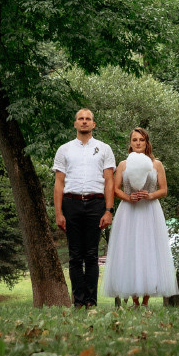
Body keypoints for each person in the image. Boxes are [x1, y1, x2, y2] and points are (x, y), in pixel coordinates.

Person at [102, 127, 178, 307]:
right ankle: (134, 300)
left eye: (141, 140)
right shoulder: (123, 165)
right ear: (130, 143)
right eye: (134, 140)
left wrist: (149, 195)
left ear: (147, 143)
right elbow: (114, 188)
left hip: (150, 211)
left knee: (148, 251)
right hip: (129, 212)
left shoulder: (156, 164)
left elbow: (163, 189)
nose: (137, 143)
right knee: (130, 251)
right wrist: (129, 197)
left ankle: (145, 301)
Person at [52, 108, 116, 308]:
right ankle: (78, 302)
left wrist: (108, 210)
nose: (84, 122)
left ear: (93, 124)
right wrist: (58, 212)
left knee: (91, 255)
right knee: (75, 256)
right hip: (71, 204)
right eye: (81, 119)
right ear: (75, 123)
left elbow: (109, 181)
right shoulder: (64, 149)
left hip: (96, 204)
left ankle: (91, 302)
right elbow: (59, 183)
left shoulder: (104, 149)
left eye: (88, 119)